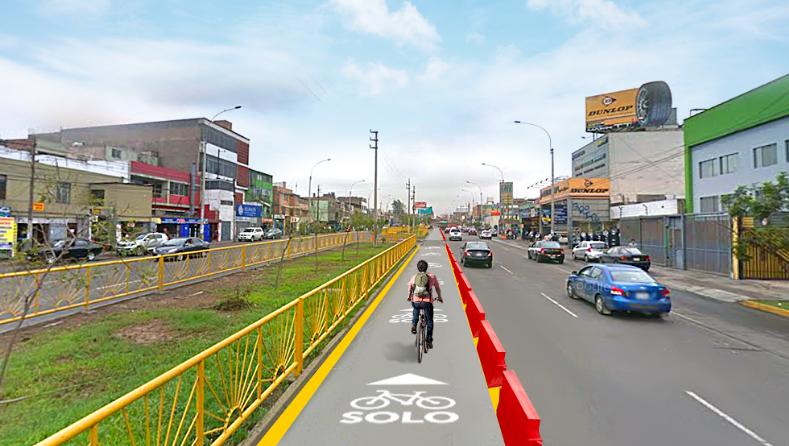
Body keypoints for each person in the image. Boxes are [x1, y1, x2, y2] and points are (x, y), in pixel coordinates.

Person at [408, 260, 443, 349]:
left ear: (418, 268)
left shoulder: (414, 277)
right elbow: (437, 288)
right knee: (429, 321)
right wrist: (439, 297)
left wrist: (409, 297)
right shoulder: (432, 276)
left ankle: (414, 325)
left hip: (416, 301)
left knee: (415, 309)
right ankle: (429, 340)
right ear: (427, 267)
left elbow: (410, 287)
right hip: (427, 302)